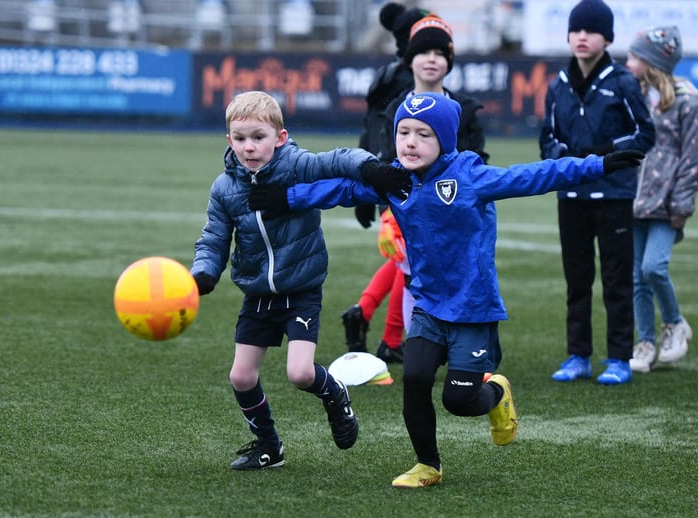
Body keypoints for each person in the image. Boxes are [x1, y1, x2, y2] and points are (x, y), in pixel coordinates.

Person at [250, 92, 645, 487]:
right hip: (428, 306)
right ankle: (428, 465)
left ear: (444, 141)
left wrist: (600, 165)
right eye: (404, 132)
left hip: (473, 309)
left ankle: (495, 392)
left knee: (459, 401)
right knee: (415, 380)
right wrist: (285, 197)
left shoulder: (470, 176)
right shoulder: (396, 181)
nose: (409, 142)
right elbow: (341, 190)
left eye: (423, 134)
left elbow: (536, 175)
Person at [190, 90, 409, 470]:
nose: (249, 147)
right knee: (241, 376)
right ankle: (269, 447)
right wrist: (204, 273)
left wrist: (372, 168)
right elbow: (213, 238)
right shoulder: (225, 188)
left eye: (258, 137)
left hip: (302, 289)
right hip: (257, 293)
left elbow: (340, 158)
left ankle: (335, 394)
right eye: (240, 139)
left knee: (300, 373)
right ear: (229, 141)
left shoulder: (296, 166)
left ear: (280, 137)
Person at [342, 13, 491, 363]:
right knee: (409, 264)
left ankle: (377, 321)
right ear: (410, 59)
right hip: (406, 206)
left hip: (451, 209)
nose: (432, 59)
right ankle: (399, 338)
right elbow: (384, 161)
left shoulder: (463, 108)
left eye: (440, 53)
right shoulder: (397, 108)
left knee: (419, 267)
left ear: (449, 60)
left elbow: (478, 160)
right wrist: (385, 213)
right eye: (424, 52)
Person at [539, 0, 655, 385]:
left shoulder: (623, 82)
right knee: (577, 281)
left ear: (607, 38)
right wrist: (566, 160)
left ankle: (619, 358)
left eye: (590, 30)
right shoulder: (557, 86)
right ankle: (578, 356)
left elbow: (645, 134)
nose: (582, 37)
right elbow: (547, 140)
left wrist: (603, 156)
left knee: (617, 281)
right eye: (576, 30)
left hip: (615, 197)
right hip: (570, 199)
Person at [625, 26, 698, 372]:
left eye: (634, 56)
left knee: (653, 267)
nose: (628, 62)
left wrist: (682, 206)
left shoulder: (690, 103)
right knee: (637, 278)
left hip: (666, 204)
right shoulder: (636, 96)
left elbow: (693, 161)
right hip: (633, 201)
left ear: (651, 61)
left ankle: (674, 324)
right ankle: (645, 343)